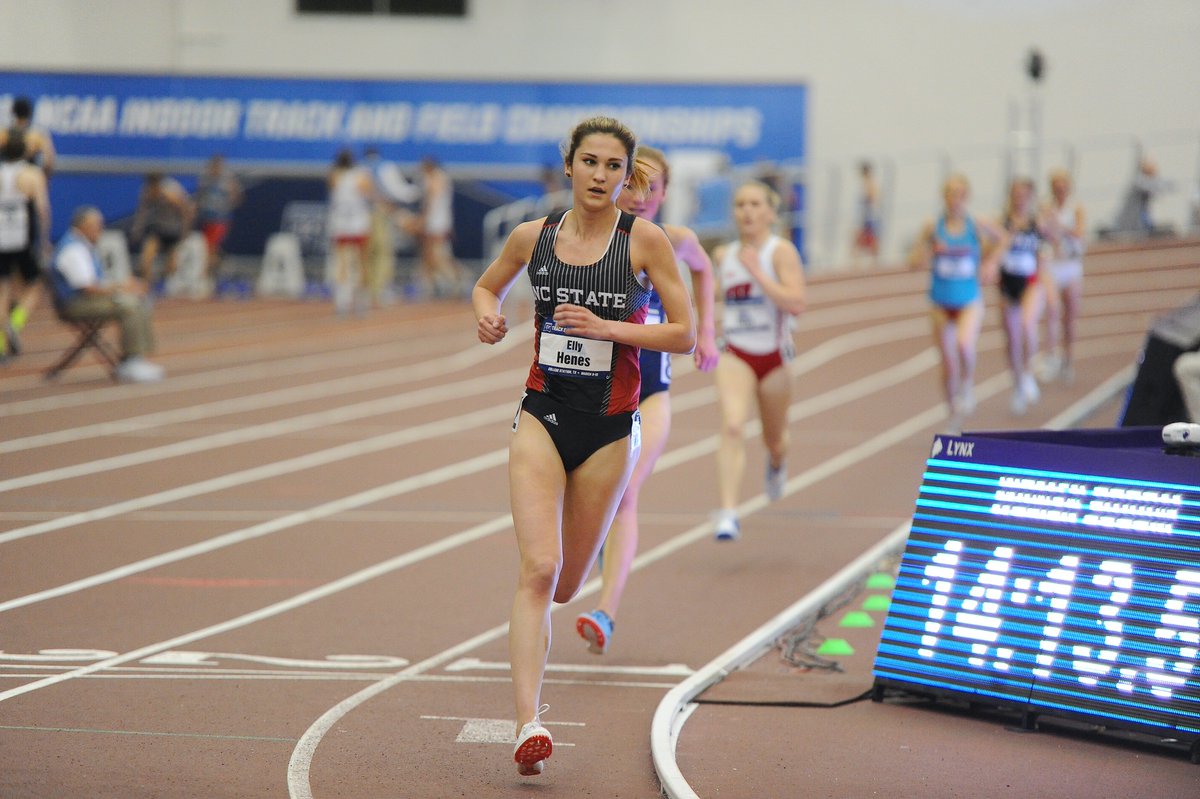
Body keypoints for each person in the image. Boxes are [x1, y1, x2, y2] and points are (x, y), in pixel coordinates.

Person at [472, 116, 695, 777]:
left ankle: (583, 578)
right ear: (568, 167)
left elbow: (684, 333)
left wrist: (608, 326)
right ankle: (526, 723)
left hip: (610, 426)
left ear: (627, 178)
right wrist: (486, 312)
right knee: (538, 570)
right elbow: (489, 284)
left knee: (568, 582)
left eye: (613, 166)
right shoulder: (531, 237)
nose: (600, 175)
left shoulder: (644, 241)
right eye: (589, 162)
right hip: (542, 414)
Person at [574, 145, 720, 655]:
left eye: (650, 188)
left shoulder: (677, 243)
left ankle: (605, 613)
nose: (638, 197)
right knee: (590, 500)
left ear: (665, 194)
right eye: (630, 184)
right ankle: (597, 550)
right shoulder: (594, 242)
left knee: (625, 494)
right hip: (590, 396)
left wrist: (706, 333)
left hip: (650, 397)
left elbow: (704, 271)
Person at [711, 181, 807, 541]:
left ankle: (777, 463)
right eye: (740, 204)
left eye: (755, 204)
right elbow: (710, 298)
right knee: (733, 426)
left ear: (770, 212)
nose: (747, 211)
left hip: (774, 357)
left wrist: (759, 273)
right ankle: (727, 513)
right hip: (735, 352)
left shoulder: (780, 253)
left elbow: (796, 302)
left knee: (775, 439)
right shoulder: (724, 255)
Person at [909, 173, 1007, 432]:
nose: (955, 199)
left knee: (965, 345)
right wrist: (929, 251)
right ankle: (952, 410)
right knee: (947, 363)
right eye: (951, 194)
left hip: (968, 300)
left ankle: (967, 384)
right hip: (940, 301)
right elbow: (913, 262)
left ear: (966, 197)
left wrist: (991, 263)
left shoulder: (976, 224)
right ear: (944, 197)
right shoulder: (932, 226)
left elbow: (1006, 239)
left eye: (960, 194)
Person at [48, 206, 164, 383]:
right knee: (129, 306)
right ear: (82, 226)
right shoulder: (73, 249)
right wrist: (121, 288)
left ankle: (138, 358)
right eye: (97, 226)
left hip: (85, 299)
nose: (100, 230)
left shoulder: (82, 245)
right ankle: (131, 360)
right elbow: (87, 288)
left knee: (137, 300)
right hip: (75, 304)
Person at [997, 177, 1050, 416]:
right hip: (1007, 284)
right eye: (1015, 195)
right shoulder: (1002, 223)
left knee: (1028, 326)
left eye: (1023, 195)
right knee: (1012, 340)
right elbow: (990, 250)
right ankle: (1017, 384)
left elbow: (1047, 248)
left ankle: (1028, 373)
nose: (1019, 199)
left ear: (1030, 197)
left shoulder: (1036, 223)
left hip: (1030, 282)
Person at [0, 130, 50, 362]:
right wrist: (44, 239)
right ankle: (14, 322)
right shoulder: (31, 173)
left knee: (3, 288)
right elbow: (42, 209)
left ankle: (1, 343)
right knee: (33, 285)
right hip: (22, 235)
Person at [1039, 168, 1086, 383]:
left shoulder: (1075, 208)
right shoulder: (1046, 207)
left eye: (1063, 186)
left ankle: (1068, 359)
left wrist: (1061, 227)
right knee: (1052, 310)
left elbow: (1079, 233)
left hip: (1071, 265)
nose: (1060, 190)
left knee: (1069, 317)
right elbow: (1042, 233)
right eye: (1056, 187)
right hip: (1052, 265)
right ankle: (1050, 356)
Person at [362, 146, 420, 307]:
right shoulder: (383, 167)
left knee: (367, 252)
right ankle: (380, 289)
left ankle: (368, 289)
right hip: (379, 213)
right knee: (383, 251)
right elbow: (397, 191)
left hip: (361, 215)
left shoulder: (359, 168)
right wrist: (416, 192)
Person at [326, 148, 376, 315]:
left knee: (343, 262)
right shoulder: (361, 175)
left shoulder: (335, 175)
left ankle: (344, 301)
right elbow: (369, 193)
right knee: (360, 262)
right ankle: (359, 301)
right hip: (356, 222)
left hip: (344, 222)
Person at [130, 171, 193, 293]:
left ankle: (165, 286)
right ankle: (147, 288)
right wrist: (137, 230)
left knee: (172, 266)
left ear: (159, 184)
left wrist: (185, 231)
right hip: (158, 229)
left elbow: (186, 211)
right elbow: (142, 213)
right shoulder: (147, 192)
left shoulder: (171, 193)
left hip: (174, 229)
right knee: (146, 259)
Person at [415, 155, 468, 297]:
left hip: (436, 222)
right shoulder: (439, 178)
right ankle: (433, 284)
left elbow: (431, 201)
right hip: (439, 221)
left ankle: (459, 279)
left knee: (438, 255)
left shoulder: (436, 178)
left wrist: (423, 219)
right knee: (429, 254)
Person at [193, 154, 242, 291]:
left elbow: (237, 197)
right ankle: (227, 269)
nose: (215, 169)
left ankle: (207, 278)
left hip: (220, 219)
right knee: (209, 249)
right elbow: (199, 196)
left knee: (211, 248)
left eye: (218, 166)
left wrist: (228, 203)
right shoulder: (205, 178)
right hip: (206, 218)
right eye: (213, 166)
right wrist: (198, 208)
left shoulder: (227, 180)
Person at [2, 96, 56, 176]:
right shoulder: (37, 134)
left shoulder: (4, 133)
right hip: (30, 176)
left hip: (6, 176)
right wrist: (42, 177)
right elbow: (49, 160)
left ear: (13, 112)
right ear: (30, 113)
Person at [852, 160, 881, 265]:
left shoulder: (870, 183)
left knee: (869, 241)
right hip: (865, 216)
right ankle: (857, 263)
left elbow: (873, 199)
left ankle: (873, 263)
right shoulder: (865, 183)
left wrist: (869, 216)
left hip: (868, 217)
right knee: (859, 241)